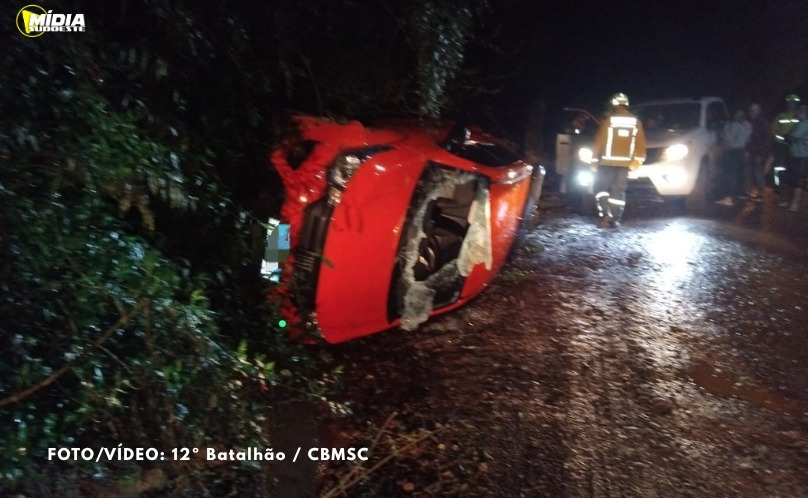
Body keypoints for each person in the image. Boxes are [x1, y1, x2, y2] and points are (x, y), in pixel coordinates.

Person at [589, 92, 646, 228]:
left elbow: (599, 141)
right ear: (626, 105)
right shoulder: (636, 121)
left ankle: (605, 214)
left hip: (606, 163)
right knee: (618, 191)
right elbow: (640, 144)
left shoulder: (609, 120)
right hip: (625, 164)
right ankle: (615, 219)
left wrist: (594, 160)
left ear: (613, 105)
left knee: (601, 188)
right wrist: (637, 162)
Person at [714, 109, 752, 206]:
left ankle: (728, 198)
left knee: (728, 175)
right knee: (735, 175)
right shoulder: (747, 126)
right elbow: (748, 139)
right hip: (740, 151)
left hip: (731, 151)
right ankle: (732, 196)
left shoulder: (735, 125)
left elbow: (728, 138)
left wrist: (721, 134)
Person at [768, 94, 801, 187]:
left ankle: (791, 186)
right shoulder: (781, 116)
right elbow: (772, 130)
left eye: (794, 103)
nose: (792, 105)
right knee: (779, 166)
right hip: (781, 145)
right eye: (790, 103)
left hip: (795, 146)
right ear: (787, 104)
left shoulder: (799, 117)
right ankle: (777, 185)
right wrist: (782, 138)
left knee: (793, 167)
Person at [782, 104, 808, 211]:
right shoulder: (801, 123)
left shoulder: (804, 124)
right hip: (796, 154)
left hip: (801, 155)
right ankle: (789, 201)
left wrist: (785, 136)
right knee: (792, 179)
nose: (796, 113)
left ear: (802, 113)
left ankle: (794, 204)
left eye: (798, 112)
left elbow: (792, 137)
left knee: (797, 180)